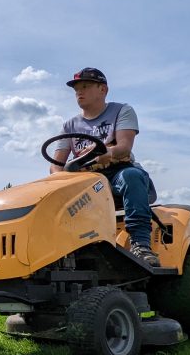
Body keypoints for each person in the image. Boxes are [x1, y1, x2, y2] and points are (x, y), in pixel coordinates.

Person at [49, 67, 160, 266]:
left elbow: (124, 148)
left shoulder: (121, 111)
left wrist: (103, 154)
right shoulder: (69, 126)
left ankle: (141, 244)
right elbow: (56, 166)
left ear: (103, 90)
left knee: (132, 176)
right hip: (85, 179)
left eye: (85, 86)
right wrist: (59, 178)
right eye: (76, 89)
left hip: (117, 171)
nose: (79, 92)